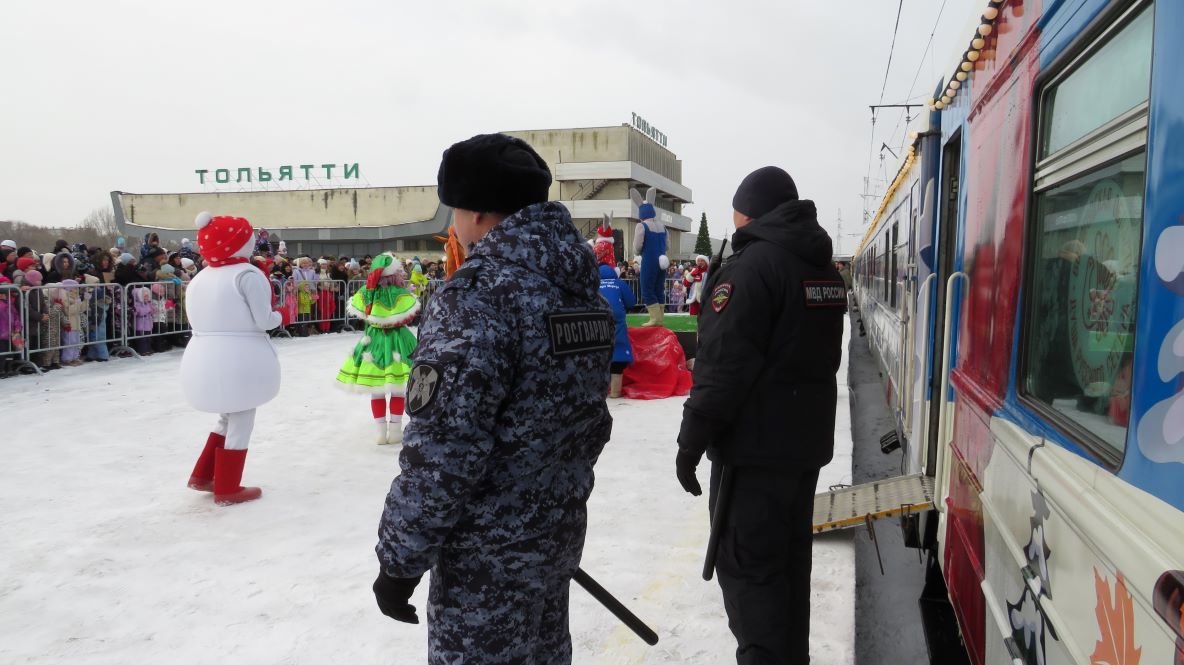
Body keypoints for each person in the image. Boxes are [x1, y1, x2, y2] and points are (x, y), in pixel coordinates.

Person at [372, 133, 613, 664]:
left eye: (454, 207)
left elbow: (443, 453)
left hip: (486, 559)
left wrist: (398, 563)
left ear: (477, 212)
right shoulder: (579, 292)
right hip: (554, 536)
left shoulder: (479, 297)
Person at [675, 166, 846, 665]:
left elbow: (723, 366)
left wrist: (691, 442)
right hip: (801, 452)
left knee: (750, 579)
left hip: (753, 458)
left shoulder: (754, 267)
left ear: (751, 211)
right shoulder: (821, 268)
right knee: (790, 573)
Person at [180, 212, 283, 506]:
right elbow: (264, 319)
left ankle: (203, 474)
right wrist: (280, 315)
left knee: (226, 415)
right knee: (242, 417)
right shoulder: (247, 275)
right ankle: (228, 486)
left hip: (203, 354)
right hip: (238, 358)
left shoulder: (201, 277)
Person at [335, 253, 419, 444]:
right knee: (398, 388)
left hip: (373, 340)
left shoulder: (367, 291)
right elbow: (407, 317)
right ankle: (396, 430)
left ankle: (381, 432)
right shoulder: (399, 292)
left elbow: (362, 315)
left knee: (377, 390)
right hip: (398, 339)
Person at [632, 187, 668, 326]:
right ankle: (660, 318)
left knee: (647, 287)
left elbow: (637, 246)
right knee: (659, 288)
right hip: (662, 260)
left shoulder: (641, 226)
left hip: (650, 259)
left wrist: (637, 252)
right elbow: (668, 245)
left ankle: (655, 318)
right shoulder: (663, 226)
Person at [598, 263, 635, 398]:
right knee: (618, 351)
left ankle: (599, 392)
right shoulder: (619, 283)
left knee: (599, 352)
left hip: (597, 317)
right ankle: (615, 392)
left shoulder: (593, 283)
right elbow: (631, 302)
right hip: (617, 318)